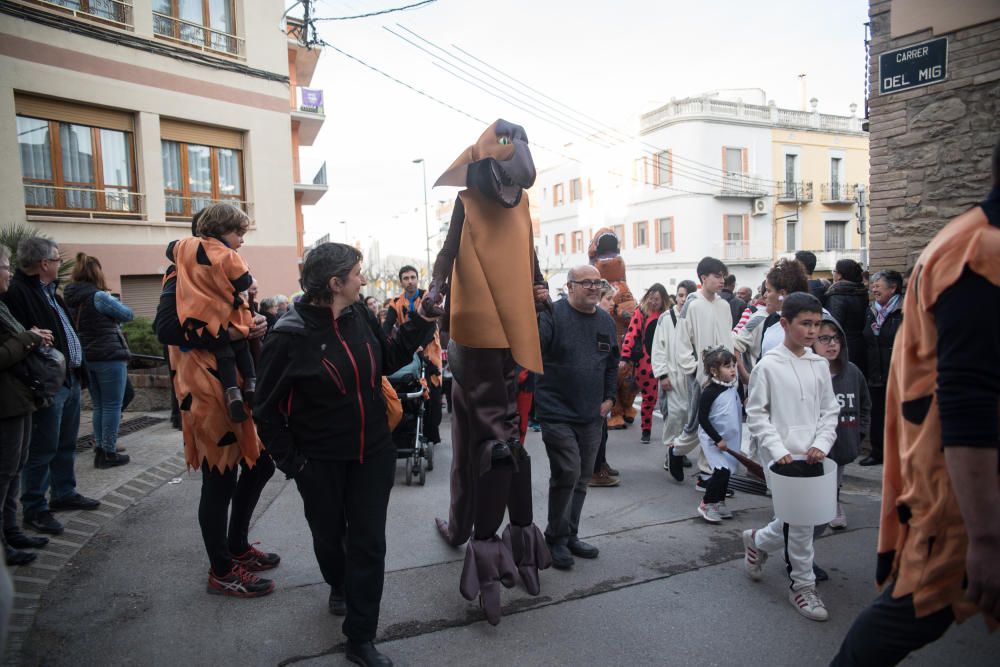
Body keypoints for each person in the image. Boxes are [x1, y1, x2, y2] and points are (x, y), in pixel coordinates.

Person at [830, 144, 1000, 666]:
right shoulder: (977, 252)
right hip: (961, 487)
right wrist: (988, 536)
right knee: (910, 609)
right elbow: (967, 395)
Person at [255, 243, 434, 667]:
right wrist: (294, 464)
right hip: (320, 462)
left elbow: (388, 358)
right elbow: (264, 410)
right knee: (329, 537)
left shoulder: (359, 316)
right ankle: (337, 582)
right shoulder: (289, 335)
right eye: (357, 273)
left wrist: (424, 320)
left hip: (373, 453)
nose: (364, 280)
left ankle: (360, 638)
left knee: (369, 544)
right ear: (335, 284)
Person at [156, 208, 278, 600]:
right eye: (238, 232)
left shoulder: (218, 267)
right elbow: (167, 328)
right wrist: (238, 330)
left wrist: (256, 323)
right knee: (219, 478)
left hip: (232, 387)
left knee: (259, 464)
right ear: (217, 233)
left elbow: (234, 316)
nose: (242, 239)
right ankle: (222, 570)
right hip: (205, 391)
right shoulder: (180, 271)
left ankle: (236, 546)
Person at [742, 293, 839, 622]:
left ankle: (757, 541)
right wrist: (778, 448)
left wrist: (823, 442)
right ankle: (802, 585)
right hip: (781, 459)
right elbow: (756, 414)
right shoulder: (768, 366)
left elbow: (830, 410)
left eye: (817, 325)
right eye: (805, 324)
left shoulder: (819, 365)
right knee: (800, 523)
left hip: (814, 457)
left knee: (795, 519)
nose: (813, 332)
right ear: (785, 324)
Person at [1, 237, 100, 536]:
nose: (60, 264)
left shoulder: (50, 291)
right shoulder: (18, 293)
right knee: (41, 449)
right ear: (44, 263)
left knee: (66, 443)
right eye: (56, 260)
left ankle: (63, 492)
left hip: (66, 378)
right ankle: (35, 508)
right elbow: (18, 339)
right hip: (45, 383)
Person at [536, 265, 618, 569]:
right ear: (570, 286)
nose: (594, 288)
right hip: (556, 412)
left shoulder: (605, 321)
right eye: (587, 283)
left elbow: (612, 362)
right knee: (567, 472)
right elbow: (534, 350)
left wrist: (609, 398)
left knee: (582, 477)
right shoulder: (552, 315)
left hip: (591, 414)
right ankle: (554, 538)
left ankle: (569, 534)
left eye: (598, 283)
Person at [168, 204, 257, 423]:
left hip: (202, 318)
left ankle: (232, 391)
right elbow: (242, 281)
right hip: (226, 318)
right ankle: (252, 383)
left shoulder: (185, 247)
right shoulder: (228, 255)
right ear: (221, 229)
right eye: (239, 234)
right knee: (241, 347)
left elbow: (170, 248)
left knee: (224, 353)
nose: (242, 241)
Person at [0, 244, 53, 565]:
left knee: (14, 469)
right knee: (4, 473)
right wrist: (29, 338)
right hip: (6, 403)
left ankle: (11, 530)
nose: (8, 272)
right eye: (4, 266)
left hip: (18, 398)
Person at [666, 257, 734, 484]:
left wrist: (733, 367)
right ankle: (677, 450)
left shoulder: (724, 305)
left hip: (726, 376)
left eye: (723, 276)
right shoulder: (692, 306)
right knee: (697, 423)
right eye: (717, 276)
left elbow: (728, 338)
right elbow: (681, 342)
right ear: (703, 278)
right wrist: (695, 371)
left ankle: (709, 473)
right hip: (703, 378)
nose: (721, 280)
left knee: (718, 425)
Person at [63, 253, 132, 469]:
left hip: (86, 357)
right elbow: (128, 315)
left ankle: (100, 447)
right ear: (97, 273)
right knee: (112, 405)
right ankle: (107, 452)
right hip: (108, 356)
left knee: (99, 406)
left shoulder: (69, 297)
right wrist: (110, 299)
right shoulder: (99, 296)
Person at [812, 313, 870, 530]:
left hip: (844, 438)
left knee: (835, 479)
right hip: (815, 445)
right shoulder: (809, 373)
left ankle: (834, 504)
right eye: (824, 339)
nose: (832, 344)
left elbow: (865, 404)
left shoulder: (852, 372)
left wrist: (859, 433)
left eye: (836, 338)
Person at [383, 266, 442, 447]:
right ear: (401, 282)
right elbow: (387, 328)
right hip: (407, 351)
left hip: (428, 350)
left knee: (433, 392)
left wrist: (420, 346)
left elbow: (431, 327)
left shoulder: (427, 298)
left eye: (413, 277)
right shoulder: (395, 303)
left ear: (417, 279)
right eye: (406, 278)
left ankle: (431, 434)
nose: (410, 281)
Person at [589, 229, 638, 430]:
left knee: (626, 378)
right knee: (611, 377)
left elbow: (632, 312)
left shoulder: (623, 287)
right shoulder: (593, 286)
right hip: (605, 341)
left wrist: (618, 309)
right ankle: (615, 412)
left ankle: (626, 408)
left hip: (623, 340)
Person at [859, 269, 903, 466]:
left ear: (893, 288)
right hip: (876, 371)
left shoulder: (903, 310)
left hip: (898, 371)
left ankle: (901, 454)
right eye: (873, 284)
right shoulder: (871, 310)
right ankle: (878, 453)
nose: (873, 288)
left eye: (879, 284)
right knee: (877, 414)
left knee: (900, 415)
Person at [651, 280, 696, 473]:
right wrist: (662, 375)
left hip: (690, 375)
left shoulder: (695, 318)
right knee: (674, 417)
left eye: (686, 296)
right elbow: (658, 349)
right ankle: (670, 453)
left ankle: (680, 452)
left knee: (688, 416)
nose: (682, 299)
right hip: (672, 375)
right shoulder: (666, 318)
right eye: (679, 295)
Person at [695, 346, 741, 524]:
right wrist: (717, 439)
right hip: (713, 439)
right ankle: (707, 503)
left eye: (733, 365)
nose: (732, 369)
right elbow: (703, 419)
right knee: (721, 471)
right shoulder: (710, 392)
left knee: (727, 472)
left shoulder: (731, 387)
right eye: (727, 366)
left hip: (728, 439)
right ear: (714, 371)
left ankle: (719, 502)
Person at [620, 283, 668, 443]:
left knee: (665, 400)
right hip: (645, 361)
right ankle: (646, 430)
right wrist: (625, 356)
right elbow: (631, 334)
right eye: (652, 298)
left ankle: (672, 433)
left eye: (658, 299)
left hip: (665, 360)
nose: (654, 302)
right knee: (649, 398)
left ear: (663, 301)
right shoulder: (641, 313)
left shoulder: (667, 315)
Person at [589, 280, 621, 488]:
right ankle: (594, 470)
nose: (612, 303)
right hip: (593, 388)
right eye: (608, 299)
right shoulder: (593, 322)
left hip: (603, 385)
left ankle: (601, 463)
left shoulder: (606, 321)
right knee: (596, 431)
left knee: (603, 431)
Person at [822, 258, 869, 378]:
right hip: (863, 345)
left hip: (843, 346)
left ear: (839, 275)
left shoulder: (837, 295)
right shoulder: (863, 293)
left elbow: (834, 325)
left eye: (834, 271)